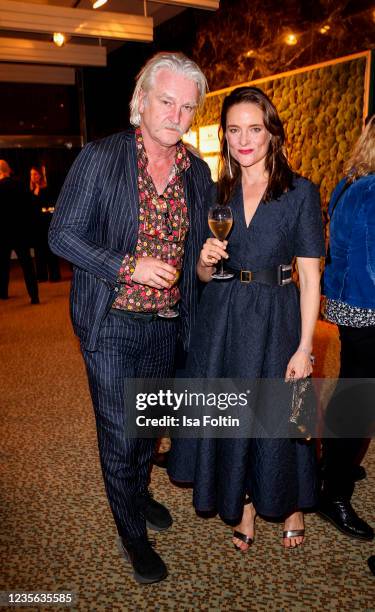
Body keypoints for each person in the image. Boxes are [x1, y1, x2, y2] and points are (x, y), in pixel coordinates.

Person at [49, 52, 212, 584]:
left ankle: (137, 493)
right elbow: (61, 235)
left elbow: (196, 257)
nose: (176, 115)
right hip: (111, 321)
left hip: (168, 324)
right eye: (166, 101)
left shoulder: (198, 171)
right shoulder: (101, 158)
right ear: (140, 102)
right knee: (120, 433)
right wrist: (127, 266)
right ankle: (131, 535)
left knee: (150, 426)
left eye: (187, 107)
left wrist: (206, 264)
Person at [168, 86, 325, 551]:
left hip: (277, 314)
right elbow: (200, 273)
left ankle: (292, 502)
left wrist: (304, 347)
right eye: (234, 130)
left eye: (254, 128)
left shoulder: (300, 193)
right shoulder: (220, 192)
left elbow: (312, 279)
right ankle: (247, 504)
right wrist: (204, 258)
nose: (244, 139)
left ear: (272, 133)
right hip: (225, 316)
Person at [319, 115, 375, 541]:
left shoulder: (351, 180)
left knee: (351, 390)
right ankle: (332, 491)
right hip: (367, 307)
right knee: (360, 400)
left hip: (346, 303)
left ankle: (333, 465)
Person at [0, 159, 39, 304]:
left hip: (2, 233)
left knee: (2, 265)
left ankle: (3, 293)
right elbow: (28, 207)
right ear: (7, 169)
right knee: (27, 265)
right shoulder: (19, 184)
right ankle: (34, 296)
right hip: (20, 231)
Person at [29, 165, 61, 282]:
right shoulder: (31, 190)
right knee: (39, 251)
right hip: (36, 225)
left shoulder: (47, 189)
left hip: (47, 223)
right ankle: (41, 276)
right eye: (32, 175)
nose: (33, 177)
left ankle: (54, 275)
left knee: (50, 250)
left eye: (36, 174)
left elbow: (51, 205)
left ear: (41, 176)